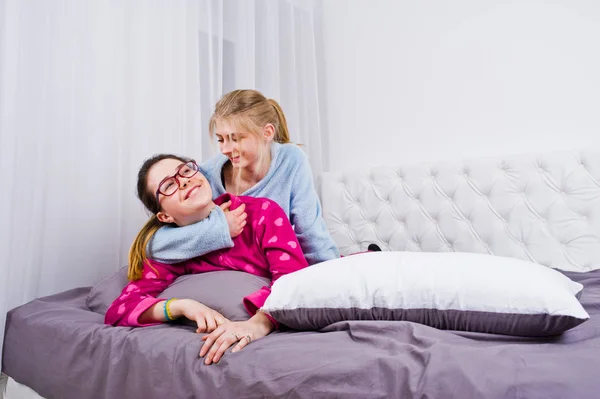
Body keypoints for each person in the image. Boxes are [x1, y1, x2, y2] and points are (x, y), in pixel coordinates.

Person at [105, 154, 309, 365]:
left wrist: (257, 324)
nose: (183, 180)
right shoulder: (173, 253)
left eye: (185, 170)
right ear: (165, 217)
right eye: (168, 185)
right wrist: (182, 306)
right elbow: (120, 309)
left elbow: (293, 283)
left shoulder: (262, 213)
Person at [147, 89, 339, 267]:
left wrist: (332, 276)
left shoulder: (292, 160)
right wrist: (220, 228)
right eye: (221, 139)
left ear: (267, 133)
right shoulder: (204, 178)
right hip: (234, 274)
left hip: (280, 269)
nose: (225, 149)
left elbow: (310, 233)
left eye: (236, 139)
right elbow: (153, 245)